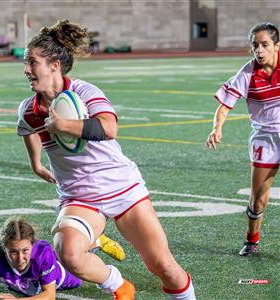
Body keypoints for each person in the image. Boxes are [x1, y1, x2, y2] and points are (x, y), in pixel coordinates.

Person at [17, 20, 196, 300]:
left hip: (122, 188)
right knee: (69, 252)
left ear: (55, 65)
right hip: (79, 197)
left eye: (32, 62)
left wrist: (64, 125)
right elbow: (27, 130)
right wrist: (35, 163)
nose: (26, 70)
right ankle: (119, 286)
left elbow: (108, 128)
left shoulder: (85, 92)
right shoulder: (29, 109)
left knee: (164, 266)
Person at [206, 22, 279, 256]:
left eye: (265, 45)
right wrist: (217, 128)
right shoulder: (247, 73)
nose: (259, 50)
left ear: (277, 46)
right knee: (258, 199)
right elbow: (224, 107)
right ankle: (252, 240)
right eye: (255, 45)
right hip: (265, 140)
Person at [0, 217, 82, 299]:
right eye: (13, 252)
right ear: (4, 248)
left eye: (25, 251)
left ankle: (95, 242)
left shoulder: (43, 253)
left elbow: (49, 295)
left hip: (69, 275)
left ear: (32, 245)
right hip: (28, 288)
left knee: (79, 258)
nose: (20, 258)